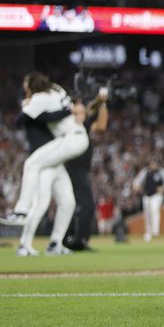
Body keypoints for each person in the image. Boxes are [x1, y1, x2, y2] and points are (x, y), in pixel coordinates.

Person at [12, 74, 89, 256]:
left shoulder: (41, 100)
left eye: (26, 86)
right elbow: (37, 117)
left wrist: (68, 111)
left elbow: (32, 116)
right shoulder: (53, 94)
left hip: (55, 155)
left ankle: (55, 242)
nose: (25, 90)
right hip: (49, 158)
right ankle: (24, 243)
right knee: (41, 203)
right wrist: (69, 110)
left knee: (68, 202)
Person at [63, 88, 109, 252]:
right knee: (86, 205)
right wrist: (98, 103)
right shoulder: (65, 126)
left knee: (70, 205)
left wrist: (102, 103)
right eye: (77, 112)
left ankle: (68, 240)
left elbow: (101, 125)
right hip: (71, 170)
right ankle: (77, 240)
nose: (81, 115)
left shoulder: (82, 125)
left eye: (82, 112)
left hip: (80, 170)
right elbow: (90, 111)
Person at [132, 160, 164, 242]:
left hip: (157, 195)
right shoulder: (145, 171)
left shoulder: (161, 172)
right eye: (152, 164)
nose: (153, 166)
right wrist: (136, 186)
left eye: (155, 164)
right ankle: (148, 232)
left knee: (155, 211)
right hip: (146, 195)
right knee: (147, 214)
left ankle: (156, 232)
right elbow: (137, 180)